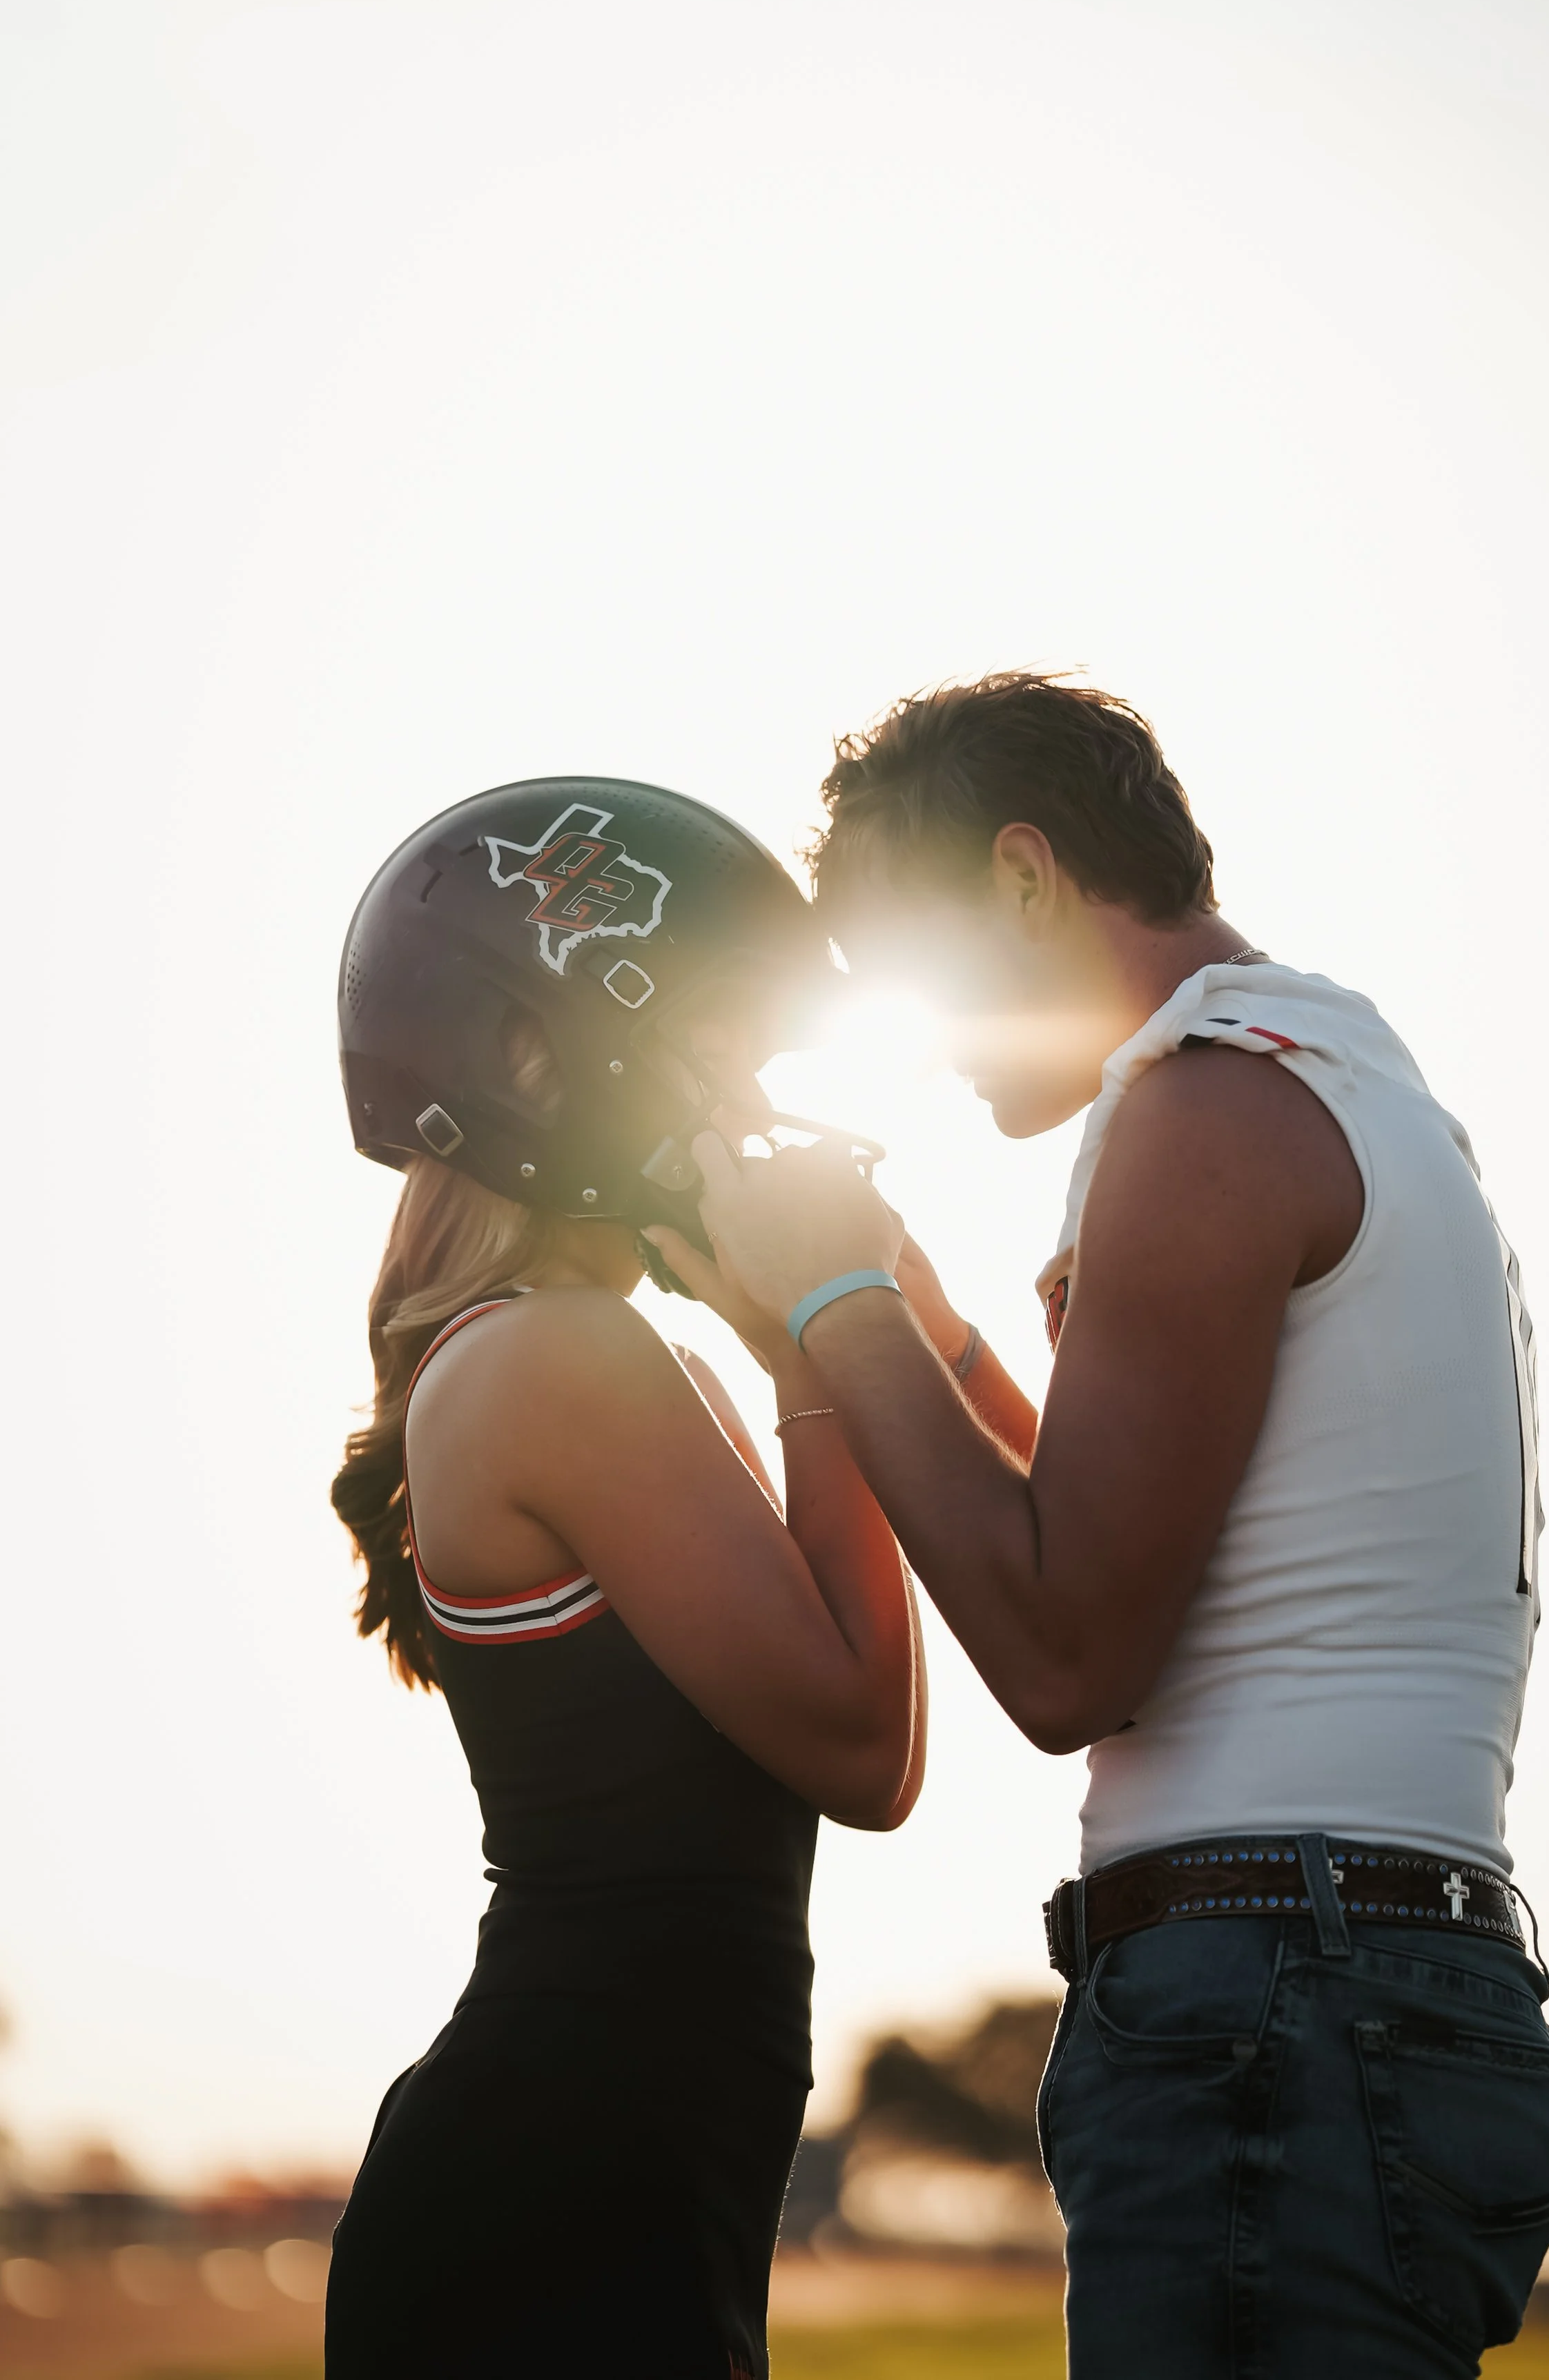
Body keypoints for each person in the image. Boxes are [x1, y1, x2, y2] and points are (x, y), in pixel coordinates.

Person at [654, 677, 1549, 2380]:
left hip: (1277, 1996)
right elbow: (1125, 1523)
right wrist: (909, 1314)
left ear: (1022, 877)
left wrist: (835, 1298)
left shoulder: (1201, 1109)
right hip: (1369, 1978)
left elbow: (1068, 1652)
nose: (920, 1042)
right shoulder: (1325, 1068)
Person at [321, 777, 924, 2380]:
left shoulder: (615, 1359)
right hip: (561, 2198)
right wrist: (814, 1340)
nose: (750, 1097)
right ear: (539, 1057)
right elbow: (861, 1745)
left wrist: (789, 1350)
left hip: (630, 2181)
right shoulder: (557, 1358)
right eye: (717, 1043)